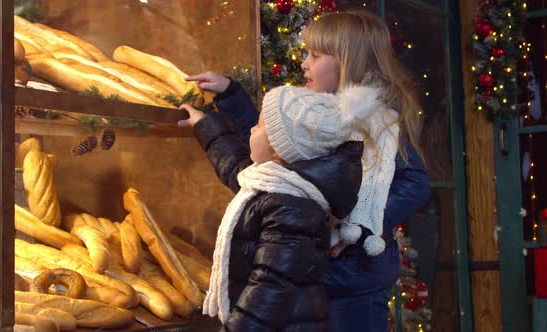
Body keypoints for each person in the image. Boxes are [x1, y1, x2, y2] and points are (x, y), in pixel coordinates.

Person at [185, 10, 430, 332]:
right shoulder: (316, 118)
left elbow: (415, 182)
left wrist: (359, 222)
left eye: (314, 55)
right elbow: (271, 143)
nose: (303, 63)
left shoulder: (377, 124)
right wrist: (231, 95)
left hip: (354, 284)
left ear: (347, 62)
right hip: (313, 279)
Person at [177, 81, 391, 330]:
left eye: (258, 126)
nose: (251, 130)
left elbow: (268, 292)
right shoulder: (276, 184)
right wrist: (205, 125)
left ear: (278, 150)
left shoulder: (292, 209)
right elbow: (235, 167)